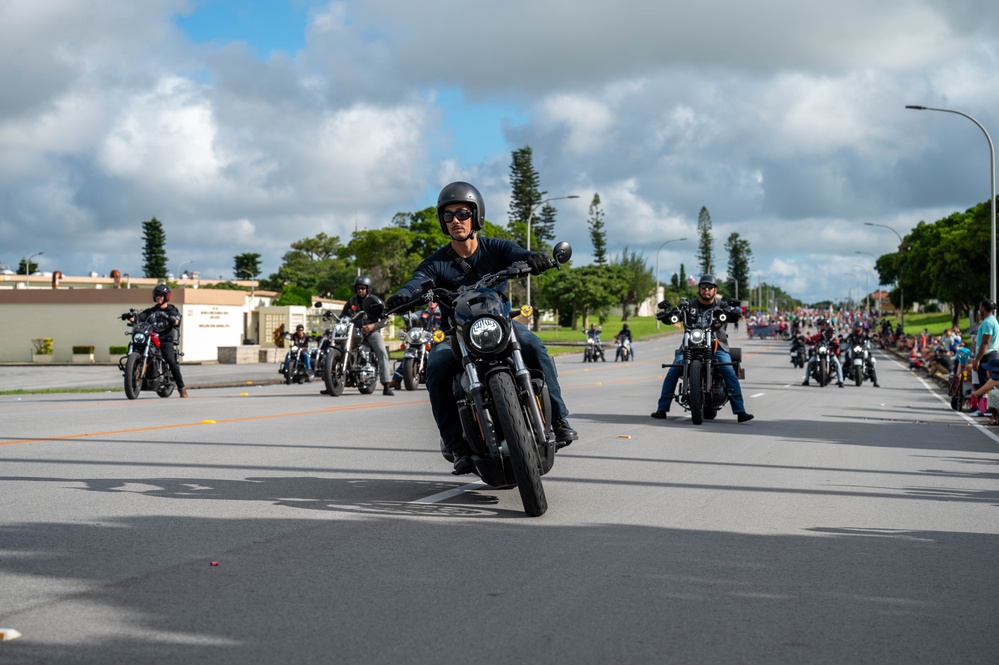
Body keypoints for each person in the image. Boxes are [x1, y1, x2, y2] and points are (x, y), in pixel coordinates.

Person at [386, 181, 578, 475]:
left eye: (462, 212)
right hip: (459, 335)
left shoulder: (496, 248)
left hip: (501, 325)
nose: (456, 220)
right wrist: (403, 295)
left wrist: (534, 259)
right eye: (448, 215)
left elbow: (520, 254)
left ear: (476, 216)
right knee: (436, 364)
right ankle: (456, 445)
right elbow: (417, 282)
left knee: (534, 346)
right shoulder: (435, 264)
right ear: (443, 222)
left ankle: (559, 420)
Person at [650, 274, 754, 422]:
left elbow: (733, 315)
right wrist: (666, 316)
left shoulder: (721, 306)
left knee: (728, 370)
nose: (706, 290)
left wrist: (734, 313)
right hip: (690, 346)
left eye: (710, 287)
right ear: (699, 289)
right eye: (703, 287)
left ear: (715, 290)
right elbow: (676, 315)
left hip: (716, 345)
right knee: (673, 369)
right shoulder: (688, 305)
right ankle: (662, 409)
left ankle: (740, 411)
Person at [127, 284, 187, 397]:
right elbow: (139, 317)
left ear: (166, 297)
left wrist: (174, 320)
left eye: (161, 296)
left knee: (170, 360)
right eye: (157, 296)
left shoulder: (172, 310)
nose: (159, 298)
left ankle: (181, 387)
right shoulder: (151, 311)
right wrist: (131, 317)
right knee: (135, 345)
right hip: (151, 339)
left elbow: (177, 320)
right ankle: (132, 371)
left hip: (164, 340)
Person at [341, 275, 394, 396]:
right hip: (355, 332)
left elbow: (385, 320)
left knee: (382, 352)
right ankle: (333, 381)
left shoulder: (375, 301)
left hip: (372, 333)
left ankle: (386, 385)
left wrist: (373, 326)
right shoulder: (351, 301)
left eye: (362, 288)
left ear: (368, 289)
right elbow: (343, 316)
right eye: (358, 288)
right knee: (340, 346)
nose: (360, 290)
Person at [387, 301, 442, 390]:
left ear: (438, 303)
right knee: (409, 354)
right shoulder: (422, 313)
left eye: (434, 301)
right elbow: (411, 316)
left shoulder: (442, 313)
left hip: (437, 339)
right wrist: (402, 312)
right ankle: (396, 380)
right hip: (423, 338)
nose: (432, 303)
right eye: (430, 301)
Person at [970, 299, 999, 417]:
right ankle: (986, 409)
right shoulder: (992, 320)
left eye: (980, 307)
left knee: (984, 383)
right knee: (986, 383)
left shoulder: (987, 323)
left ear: (983, 308)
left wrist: (977, 360)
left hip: (987, 355)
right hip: (991, 354)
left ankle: (984, 409)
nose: (979, 310)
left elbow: (985, 343)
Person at [801, 318, 844, 387]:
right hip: (819, 353)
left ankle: (841, 381)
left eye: (824, 325)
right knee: (810, 363)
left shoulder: (833, 336)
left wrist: (837, 343)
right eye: (821, 325)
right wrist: (806, 339)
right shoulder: (820, 335)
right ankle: (806, 380)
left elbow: (838, 342)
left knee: (837, 364)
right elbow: (812, 338)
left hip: (830, 354)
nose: (822, 326)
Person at [843, 322, 879, 387]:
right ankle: (841, 379)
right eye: (857, 327)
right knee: (846, 361)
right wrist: (844, 340)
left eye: (859, 327)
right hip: (853, 351)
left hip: (862, 351)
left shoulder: (864, 335)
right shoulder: (852, 335)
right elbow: (846, 339)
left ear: (862, 328)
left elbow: (870, 338)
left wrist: (873, 338)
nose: (858, 328)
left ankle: (875, 381)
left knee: (871, 364)